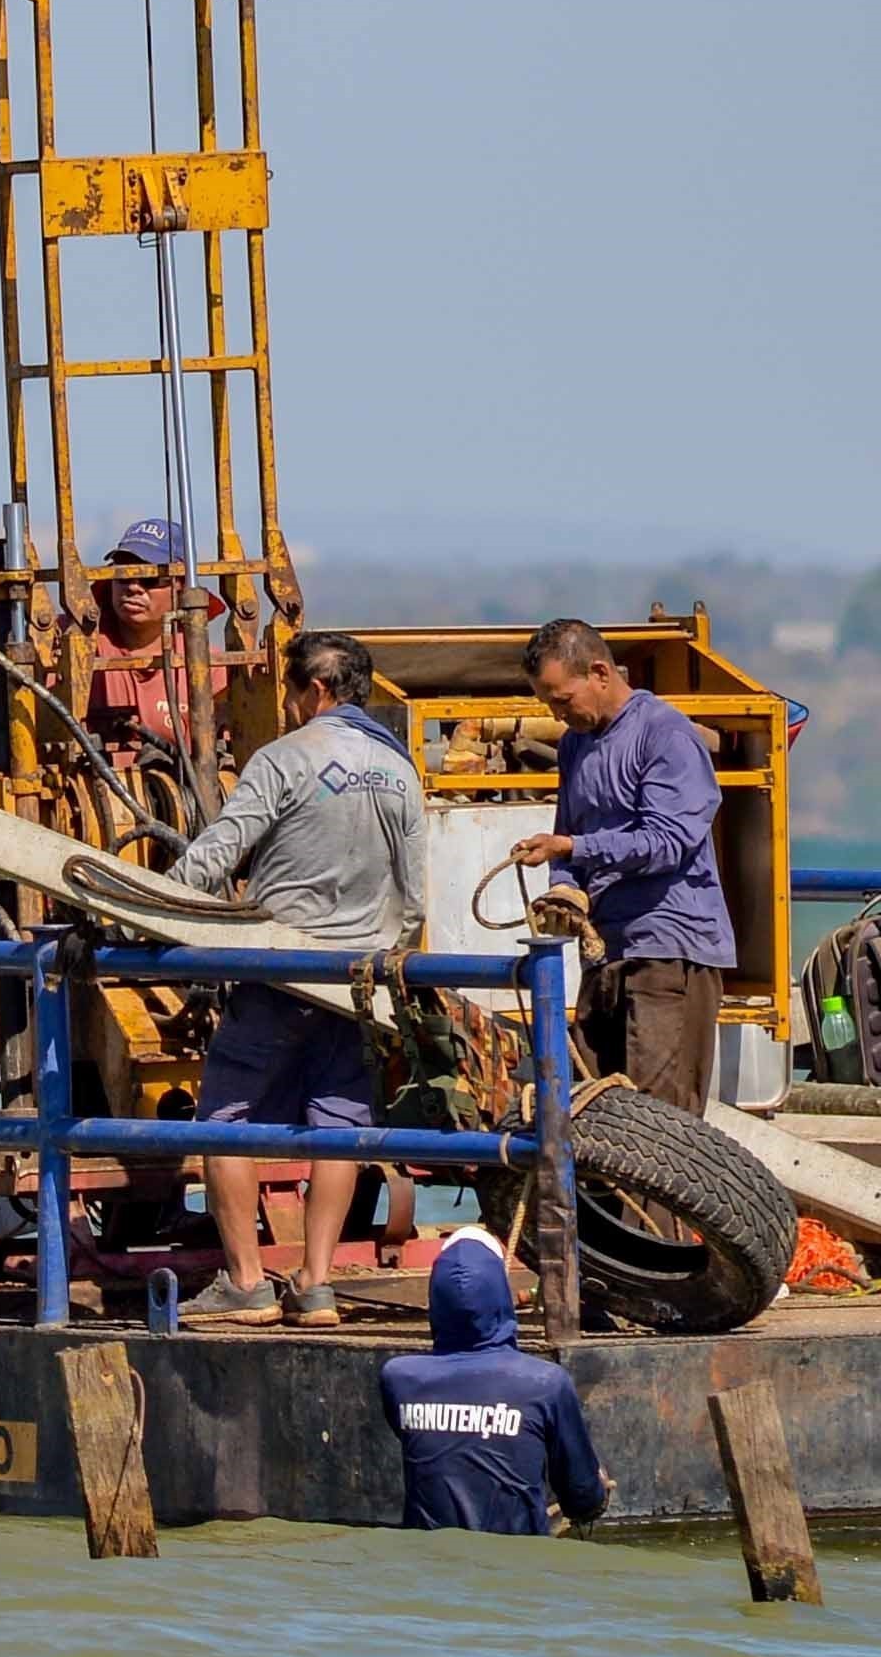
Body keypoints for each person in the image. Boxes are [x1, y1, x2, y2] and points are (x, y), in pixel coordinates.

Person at [172, 630, 434, 1323]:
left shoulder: (285, 758)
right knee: (339, 1127)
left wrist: (146, 903)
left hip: (279, 973)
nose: (287, 705)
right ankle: (316, 1283)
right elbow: (415, 895)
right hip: (358, 982)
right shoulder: (401, 770)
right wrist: (386, 961)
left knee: (224, 1120)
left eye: (290, 691)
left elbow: (218, 851)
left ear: (314, 691)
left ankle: (247, 1282)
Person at [526, 616, 736, 1109]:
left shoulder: (665, 735)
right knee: (591, 1111)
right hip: (606, 953)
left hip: (668, 951)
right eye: (547, 704)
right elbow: (569, 829)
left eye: (561, 699)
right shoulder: (576, 744)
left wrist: (574, 851)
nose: (557, 715)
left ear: (600, 672)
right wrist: (565, 888)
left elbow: (668, 841)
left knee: (660, 1121)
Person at [374, 1228, 603, 1530]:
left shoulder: (399, 1379)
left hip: (429, 1567)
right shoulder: (546, 1382)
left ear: (437, 1298)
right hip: (518, 1568)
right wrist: (596, 1490)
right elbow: (582, 1498)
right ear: (500, 1295)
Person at [81, 516, 204, 791]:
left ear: (180, 586)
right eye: (123, 573)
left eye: (149, 577)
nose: (133, 586)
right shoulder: (76, 648)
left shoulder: (208, 667)